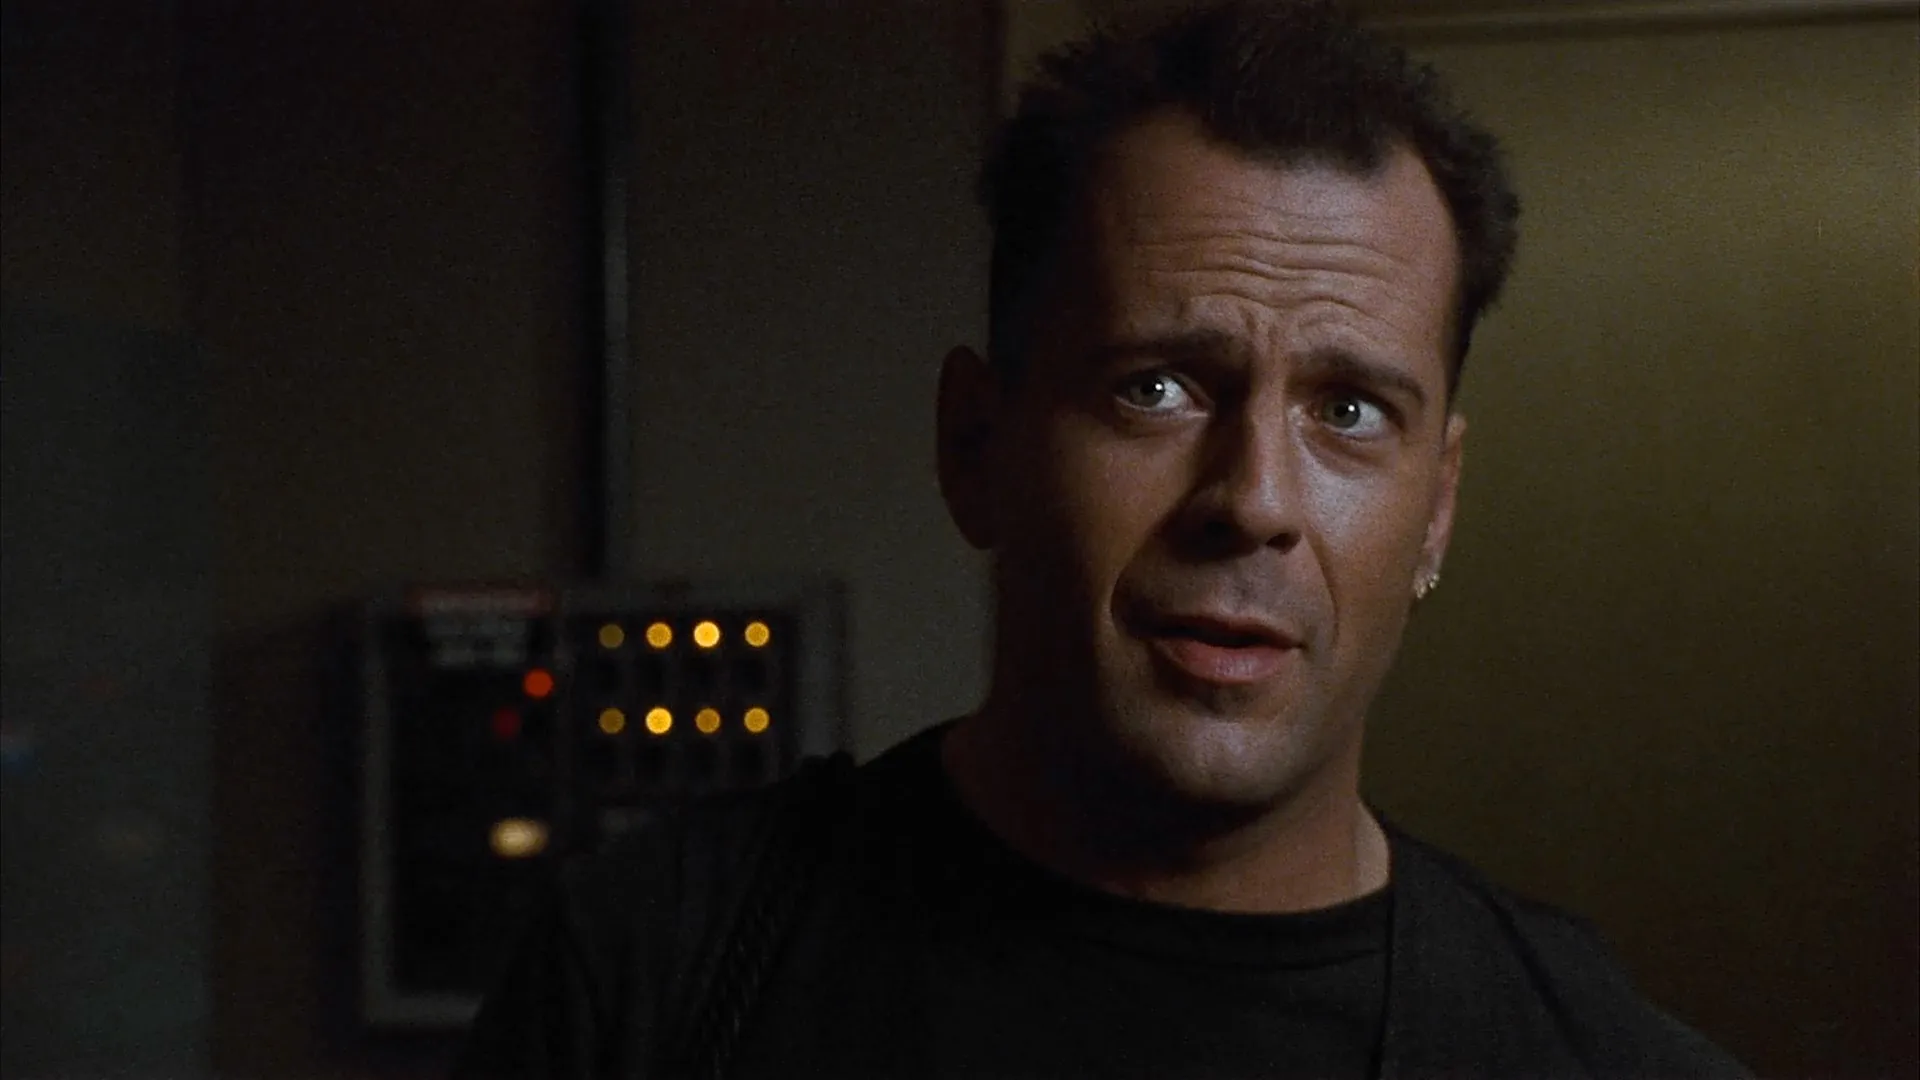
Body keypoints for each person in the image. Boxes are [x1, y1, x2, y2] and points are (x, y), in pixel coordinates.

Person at [456, 2, 1750, 1075]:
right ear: (976, 444)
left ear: (1439, 509)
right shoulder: (652, 977)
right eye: (1159, 388)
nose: (1253, 499)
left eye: (1350, 412)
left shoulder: (1596, 1060)